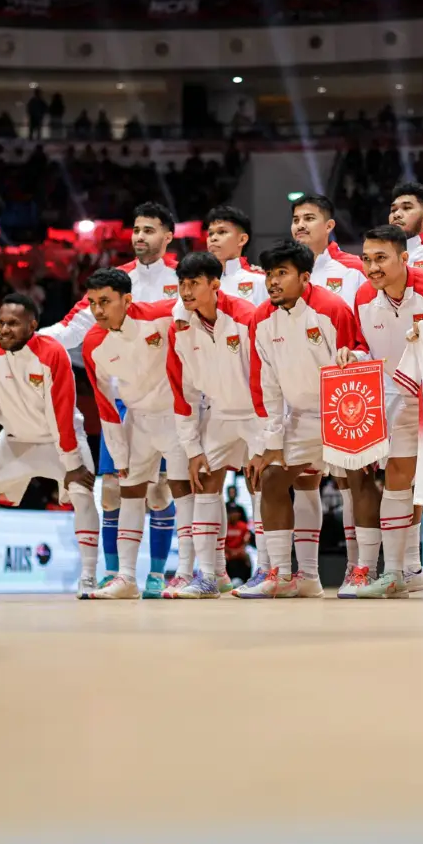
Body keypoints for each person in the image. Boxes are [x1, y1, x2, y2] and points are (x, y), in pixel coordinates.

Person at [39, 202, 184, 598]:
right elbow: (70, 328)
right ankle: (116, 574)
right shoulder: (114, 282)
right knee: (112, 491)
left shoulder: (181, 279)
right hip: (121, 403)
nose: (140, 236)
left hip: (169, 400)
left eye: (149, 230)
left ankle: (158, 574)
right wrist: (30, 342)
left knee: (161, 492)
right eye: (136, 229)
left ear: (168, 236)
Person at [335, 225, 423, 597]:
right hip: (403, 397)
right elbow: (365, 345)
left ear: (404, 258)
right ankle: (399, 571)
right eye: (366, 259)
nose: (372, 267)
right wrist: (355, 355)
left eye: (381, 258)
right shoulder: (364, 296)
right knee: (397, 478)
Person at [245, 240, 379, 598]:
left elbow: (356, 357)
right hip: (301, 417)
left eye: (282, 273)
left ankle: (362, 571)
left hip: (343, 408)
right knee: (271, 479)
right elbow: (266, 385)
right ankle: (282, 574)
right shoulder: (260, 319)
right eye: (269, 274)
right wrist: (271, 442)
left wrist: (357, 419)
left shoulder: (332, 308)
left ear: (305, 277)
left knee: (358, 483)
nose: (273, 281)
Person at [0, 295, 99, 601]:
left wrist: (72, 464)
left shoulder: (53, 353)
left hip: (60, 440)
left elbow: (61, 413)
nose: (5, 329)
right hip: (15, 440)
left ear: (32, 326)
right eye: (1, 322)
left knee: (83, 493)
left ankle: (88, 578)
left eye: (14, 324)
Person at [82, 269, 193, 599]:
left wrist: (183, 318)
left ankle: (185, 574)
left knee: (181, 494)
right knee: (128, 493)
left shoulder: (158, 314)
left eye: (105, 301)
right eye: (92, 302)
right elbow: (104, 404)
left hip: (175, 416)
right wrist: (118, 454)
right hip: (137, 420)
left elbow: (188, 302)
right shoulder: (93, 343)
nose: (98, 310)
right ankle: (126, 578)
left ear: (127, 300)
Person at [165, 252, 261, 598]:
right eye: (182, 284)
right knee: (205, 484)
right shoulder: (179, 327)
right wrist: (192, 449)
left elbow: (266, 378)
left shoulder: (246, 316)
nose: (186, 291)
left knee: (262, 486)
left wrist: (268, 436)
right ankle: (209, 576)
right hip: (218, 413)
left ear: (215, 284)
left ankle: (267, 571)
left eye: (194, 283)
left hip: (257, 413)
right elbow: (183, 394)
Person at [289, 193, 369, 581]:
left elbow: (365, 328)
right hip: (300, 392)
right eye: (295, 219)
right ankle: (306, 575)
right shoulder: (284, 273)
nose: (300, 225)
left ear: (329, 225)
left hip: (346, 390)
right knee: (304, 479)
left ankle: (357, 568)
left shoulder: (354, 269)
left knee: (350, 482)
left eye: (309, 218)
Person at [204, 204, 268, 305]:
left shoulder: (261, 280)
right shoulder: (200, 282)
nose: (213, 238)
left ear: (242, 239)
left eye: (222, 232)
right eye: (210, 233)